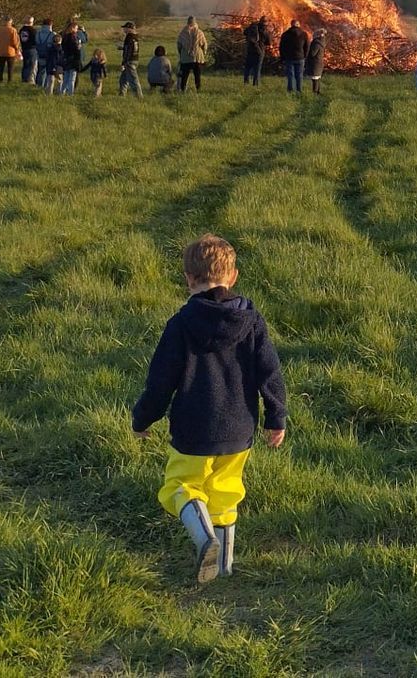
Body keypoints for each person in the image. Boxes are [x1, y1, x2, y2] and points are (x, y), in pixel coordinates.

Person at [131, 235, 288, 585]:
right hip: (240, 430)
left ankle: (205, 540)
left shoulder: (181, 324)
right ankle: (223, 568)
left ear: (188, 278)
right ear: (232, 276)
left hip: (193, 430)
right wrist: (276, 417)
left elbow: (160, 381)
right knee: (225, 493)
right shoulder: (252, 321)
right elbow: (270, 372)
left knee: (181, 486)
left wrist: (143, 418)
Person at [177, 16, 207, 92]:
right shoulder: (200, 32)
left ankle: (183, 90)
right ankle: (198, 89)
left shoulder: (183, 32)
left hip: (185, 58)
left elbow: (179, 45)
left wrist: (181, 54)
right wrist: (204, 53)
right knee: (197, 75)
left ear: (188, 22)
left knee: (184, 75)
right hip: (197, 58)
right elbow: (204, 44)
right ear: (195, 22)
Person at [277, 19, 308, 94]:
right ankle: (299, 90)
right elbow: (306, 46)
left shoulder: (285, 34)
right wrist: (304, 56)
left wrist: (282, 57)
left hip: (289, 58)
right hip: (300, 57)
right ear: (298, 25)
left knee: (290, 75)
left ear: (291, 25)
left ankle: (290, 91)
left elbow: (281, 47)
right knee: (299, 75)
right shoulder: (304, 34)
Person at [56, 21, 82, 96]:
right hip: (73, 59)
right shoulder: (73, 37)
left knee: (66, 78)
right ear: (73, 28)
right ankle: (71, 93)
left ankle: (62, 92)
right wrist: (78, 47)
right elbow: (74, 48)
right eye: (76, 28)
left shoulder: (64, 36)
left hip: (66, 58)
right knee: (72, 78)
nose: (77, 30)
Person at [118, 22, 143, 96]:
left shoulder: (129, 37)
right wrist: (122, 48)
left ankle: (139, 96)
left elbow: (127, 51)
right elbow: (133, 49)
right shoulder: (135, 37)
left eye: (125, 28)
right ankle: (122, 95)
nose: (124, 30)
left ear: (129, 29)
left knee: (133, 80)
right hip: (135, 59)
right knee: (123, 79)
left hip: (129, 61)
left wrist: (124, 63)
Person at [241, 16, 267, 87]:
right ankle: (255, 84)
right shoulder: (264, 29)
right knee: (257, 69)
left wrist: (251, 25)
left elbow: (244, 32)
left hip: (250, 50)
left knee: (247, 67)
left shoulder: (252, 27)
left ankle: (246, 83)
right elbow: (269, 41)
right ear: (265, 22)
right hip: (259, 52)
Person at [0, 17, 21, 83]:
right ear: (10, 22)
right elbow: (14, 41)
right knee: (10, 67)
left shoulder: (0, 30)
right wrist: (17, 48)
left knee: (1, 66)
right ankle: (10, 80)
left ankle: (0, 79)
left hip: (2, 51)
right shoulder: (13, 30)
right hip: (11, 51)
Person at [32, 18, 56, 90]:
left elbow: (36, 42)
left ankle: (38, 85)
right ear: (51, 25)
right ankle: (45, 86)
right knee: (47, 71)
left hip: (39, 53)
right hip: (49, 55)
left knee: (39, 70)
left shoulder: (38, 33)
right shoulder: (52, 34)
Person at [304, 28, 326, 95]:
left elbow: (313, 53)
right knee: (318, 78)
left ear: (317, 35)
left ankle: (315, 93)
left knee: (315, 79)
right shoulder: (321, 42)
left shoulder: (316, 43)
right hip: (319, 62)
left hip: (315, 63)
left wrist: (308, 54)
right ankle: (318, 92)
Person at [18, 18, 38, 83]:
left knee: (25, 64)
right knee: (32, 65)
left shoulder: (21, 30)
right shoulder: (32, 30)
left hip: (24, 49)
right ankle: (29, 80)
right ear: (31, 22)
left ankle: (24, 79)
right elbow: (36, 40)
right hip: (32, 49)